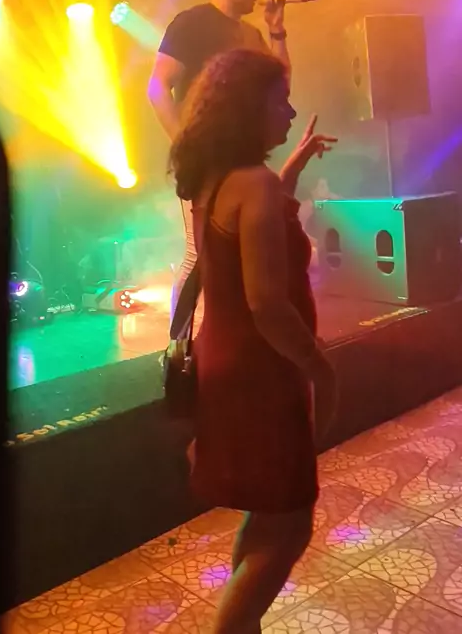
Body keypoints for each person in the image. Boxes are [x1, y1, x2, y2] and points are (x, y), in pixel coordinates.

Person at [169, 47, 337, 634]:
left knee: (269, 511)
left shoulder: (219, 180)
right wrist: (319, 366)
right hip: (262, 374)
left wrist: (292, 166)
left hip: (226, 364)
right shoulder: (255, 184)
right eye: (279, 101)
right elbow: (266, 304)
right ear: (248, 108)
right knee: (289, 525)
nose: (289, 112)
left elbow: (255, 223)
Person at [148, 0, 291, 320]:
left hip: (243, 158)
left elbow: (280, 85)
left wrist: (276, 31)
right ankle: (179, 344)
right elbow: (157, 86)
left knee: (241, 251)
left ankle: (228, 333)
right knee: (199, 255)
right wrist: (185, 146)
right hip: (204, 159)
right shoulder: (190, 23)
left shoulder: (251, 33)